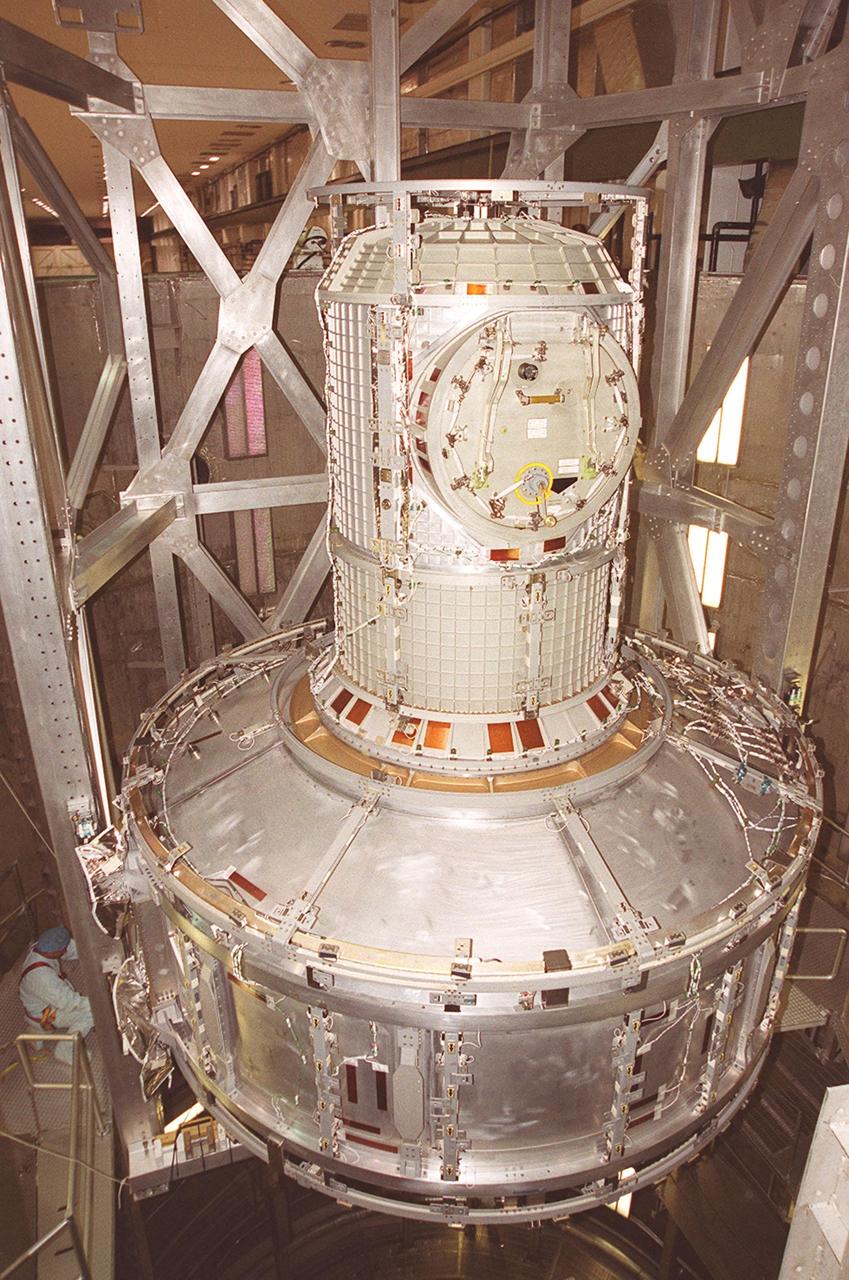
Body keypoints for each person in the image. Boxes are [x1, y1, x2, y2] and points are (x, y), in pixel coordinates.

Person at [18, 926, 94, 1065]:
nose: (65, 950)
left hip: (50, 1001)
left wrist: (91, 950)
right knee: (92, 1014)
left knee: (88, 1006)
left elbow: (69, 949)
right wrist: (97, 1004)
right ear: (54, 952)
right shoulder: (41, 977)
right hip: (47, 1014)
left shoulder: (42, 948)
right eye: (62, 949)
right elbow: (68, 1002)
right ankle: (65, 1048)